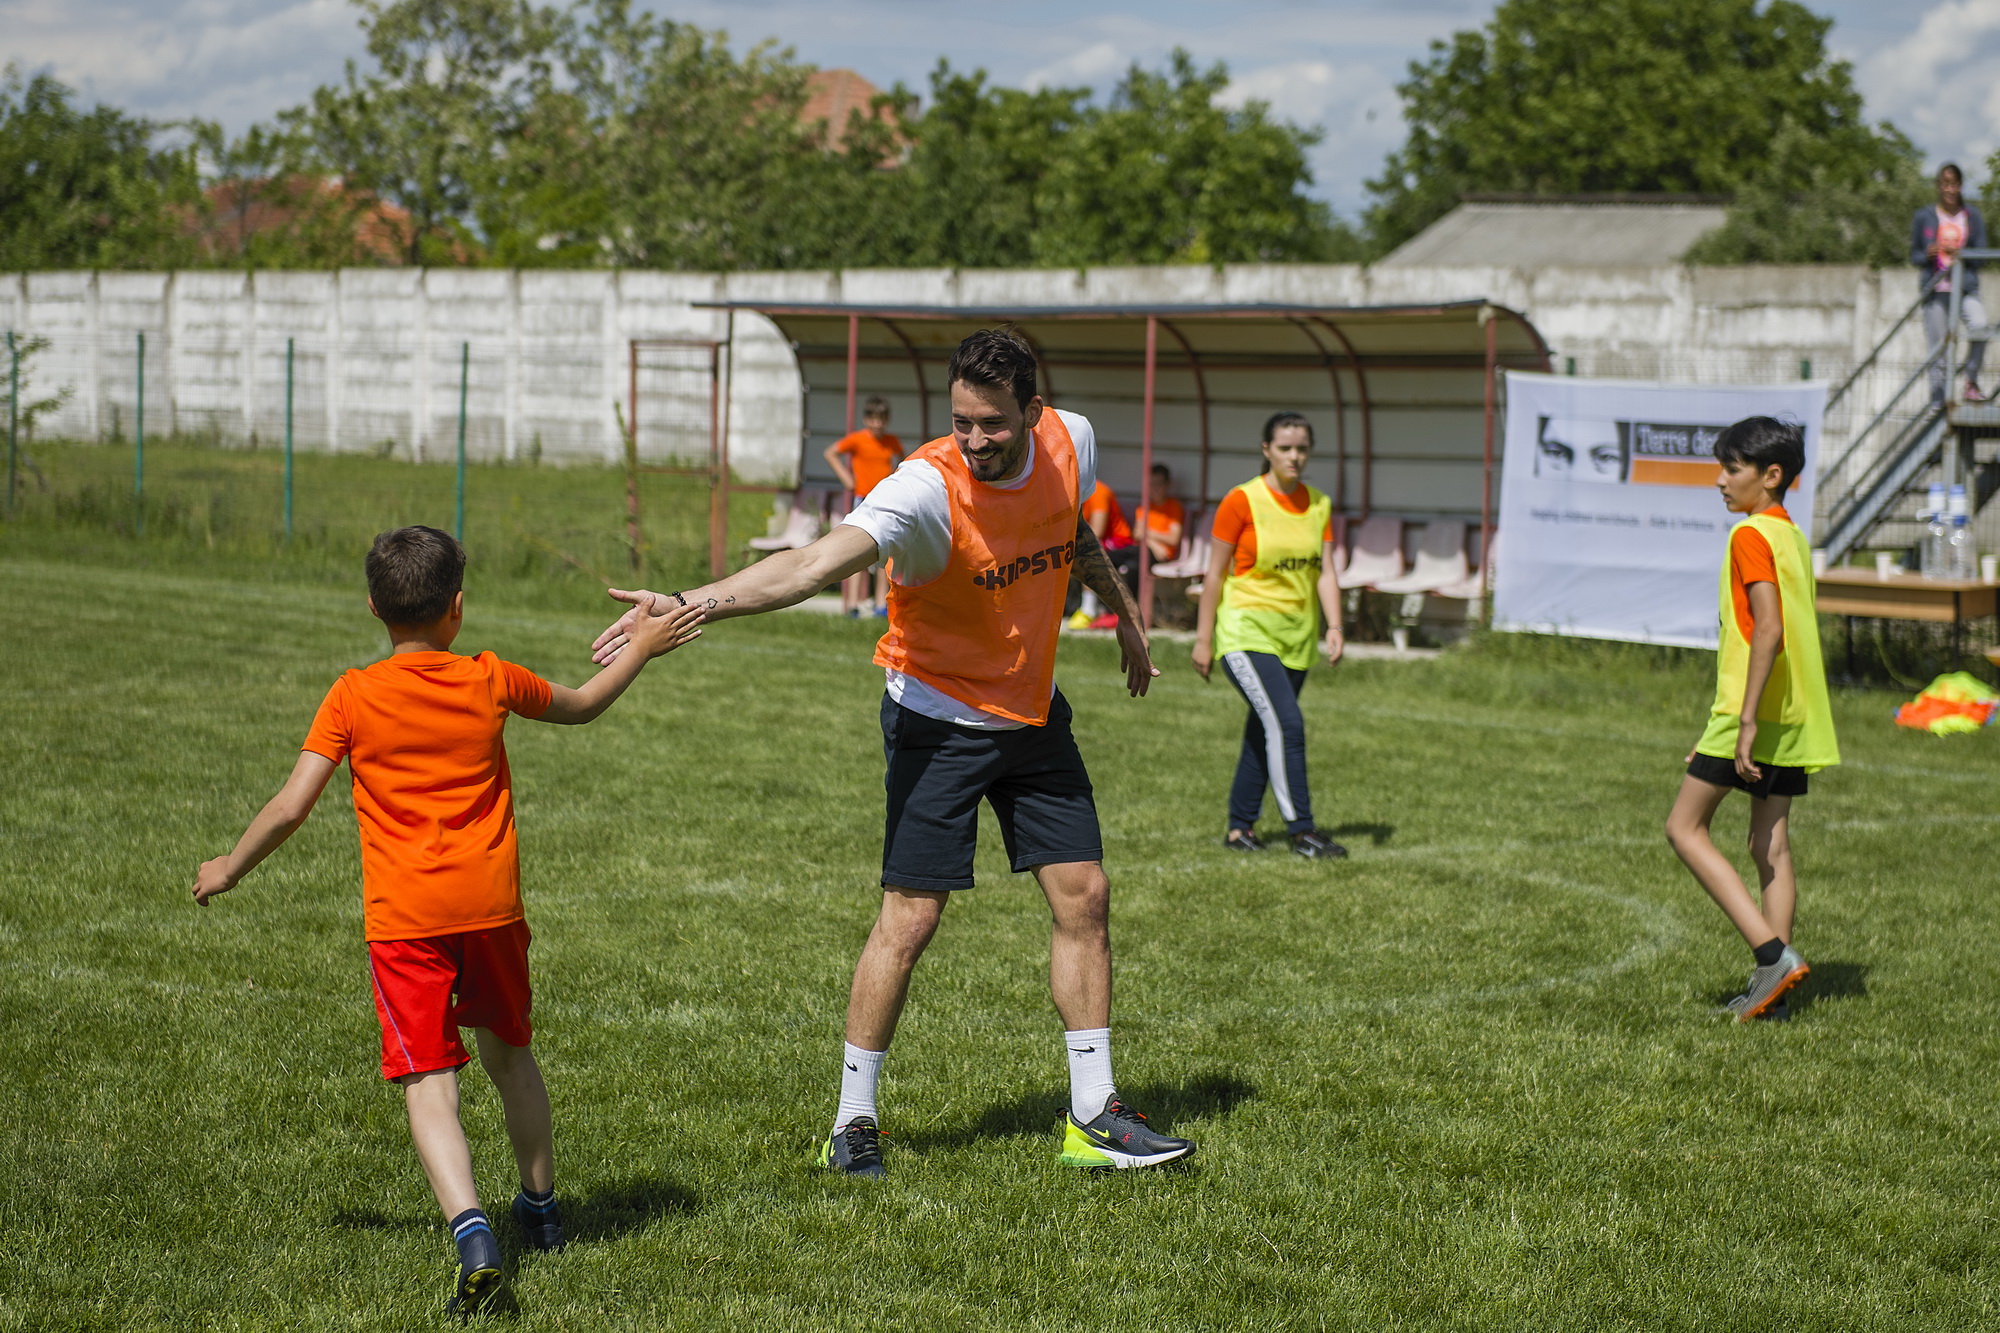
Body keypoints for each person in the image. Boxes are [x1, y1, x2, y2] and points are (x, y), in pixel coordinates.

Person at [590, 329, 1196, 1176]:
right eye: (961, 422)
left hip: (1030, 712)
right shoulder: (923, 490)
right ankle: (852, 1120)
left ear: (1032, 408)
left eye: (993, 423)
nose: (976, 440)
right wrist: (692, 600)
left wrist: (1125, 617)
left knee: (1085, 893)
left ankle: (1094, 1115)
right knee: (910, 919)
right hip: (937, 722)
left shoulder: (1073, 438)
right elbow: (807, 567)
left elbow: (1074, 533)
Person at [191, 526, 704, 1314]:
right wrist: (643, 645)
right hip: (491, 910)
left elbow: (292, 806)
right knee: (512, 1059)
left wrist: (228, 865)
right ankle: (541, 1211)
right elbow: (583, 704)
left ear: (373, 608)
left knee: (431, 1083)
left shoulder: (350, 696)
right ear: (457, 608)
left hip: (405, 923)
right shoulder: (490, 678)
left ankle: (473, 1231)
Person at [1664, 418, 1839, 1023]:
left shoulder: (1749, 536)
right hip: (1793, 717)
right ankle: (1777, 995)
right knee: (1772, 847)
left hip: (1755, 716)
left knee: (1684, 829)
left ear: (1771, 476)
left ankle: (1772, 956)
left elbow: (1767, 629)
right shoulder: (1793, 538)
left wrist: (1741, 724)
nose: (1720, 480)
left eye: (1732, 468)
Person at [1191, 412, 1347, 860]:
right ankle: (1304, 831)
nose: (1294, 456)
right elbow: (1215, 576)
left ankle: (1240, 828)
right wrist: (1205, 640)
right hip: (1246, 632)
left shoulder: (1319, 503)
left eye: (1301, 448)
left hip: (1296, 638)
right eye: (1284, 448)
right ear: (1267, 450)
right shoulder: (1241, 501)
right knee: (1288, 725)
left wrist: (1334, 627)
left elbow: (1326, 573)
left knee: (1265, 729)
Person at [1911, 163, 1988, 406]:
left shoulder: (1971, 216)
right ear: (1938, 186)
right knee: (1939, 347)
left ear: (1960, 186)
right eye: (1945, 184)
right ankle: (1938, 401)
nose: (1950, 189)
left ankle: (1971, 382)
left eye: (1954, 184)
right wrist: (1927, 254)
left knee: (1980, 325)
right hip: (1936, 290)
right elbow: (1912, 255)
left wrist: (1963, 254)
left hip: (1965, 289)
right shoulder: (1924, 216)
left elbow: (1982, 254)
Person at [824, 396, 905, 615]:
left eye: (881, 419)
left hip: (884, 501)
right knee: (857, 552)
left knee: (884, 553)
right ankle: (852, 604)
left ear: (886, 420)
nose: (877, 424)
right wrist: (846, 478)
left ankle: (880, 603)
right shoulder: (857, 439)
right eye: (873, 419)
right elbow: (830, 453)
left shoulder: (891, 441)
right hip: (862, 500)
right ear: (866, 419)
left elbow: (903, 461)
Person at [1071, 475, 1136, 628]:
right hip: (1099, 540)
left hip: (1119, 541)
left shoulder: (1098, 491)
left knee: (1087, 552)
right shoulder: (1071, 491)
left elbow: (1097, 531)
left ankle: (1088, 609)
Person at [1141, 463, 1186, 564]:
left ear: (1167, 484)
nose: (1155, 488)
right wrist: (1153, 544)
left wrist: (1147, 533)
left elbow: (1173, 539)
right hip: (1146, 549)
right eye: (1151, 484)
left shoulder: (1174, 507)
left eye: (1159, 484)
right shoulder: (1144, 506)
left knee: (1132, 565)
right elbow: (1138, 534)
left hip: (1163, 554)